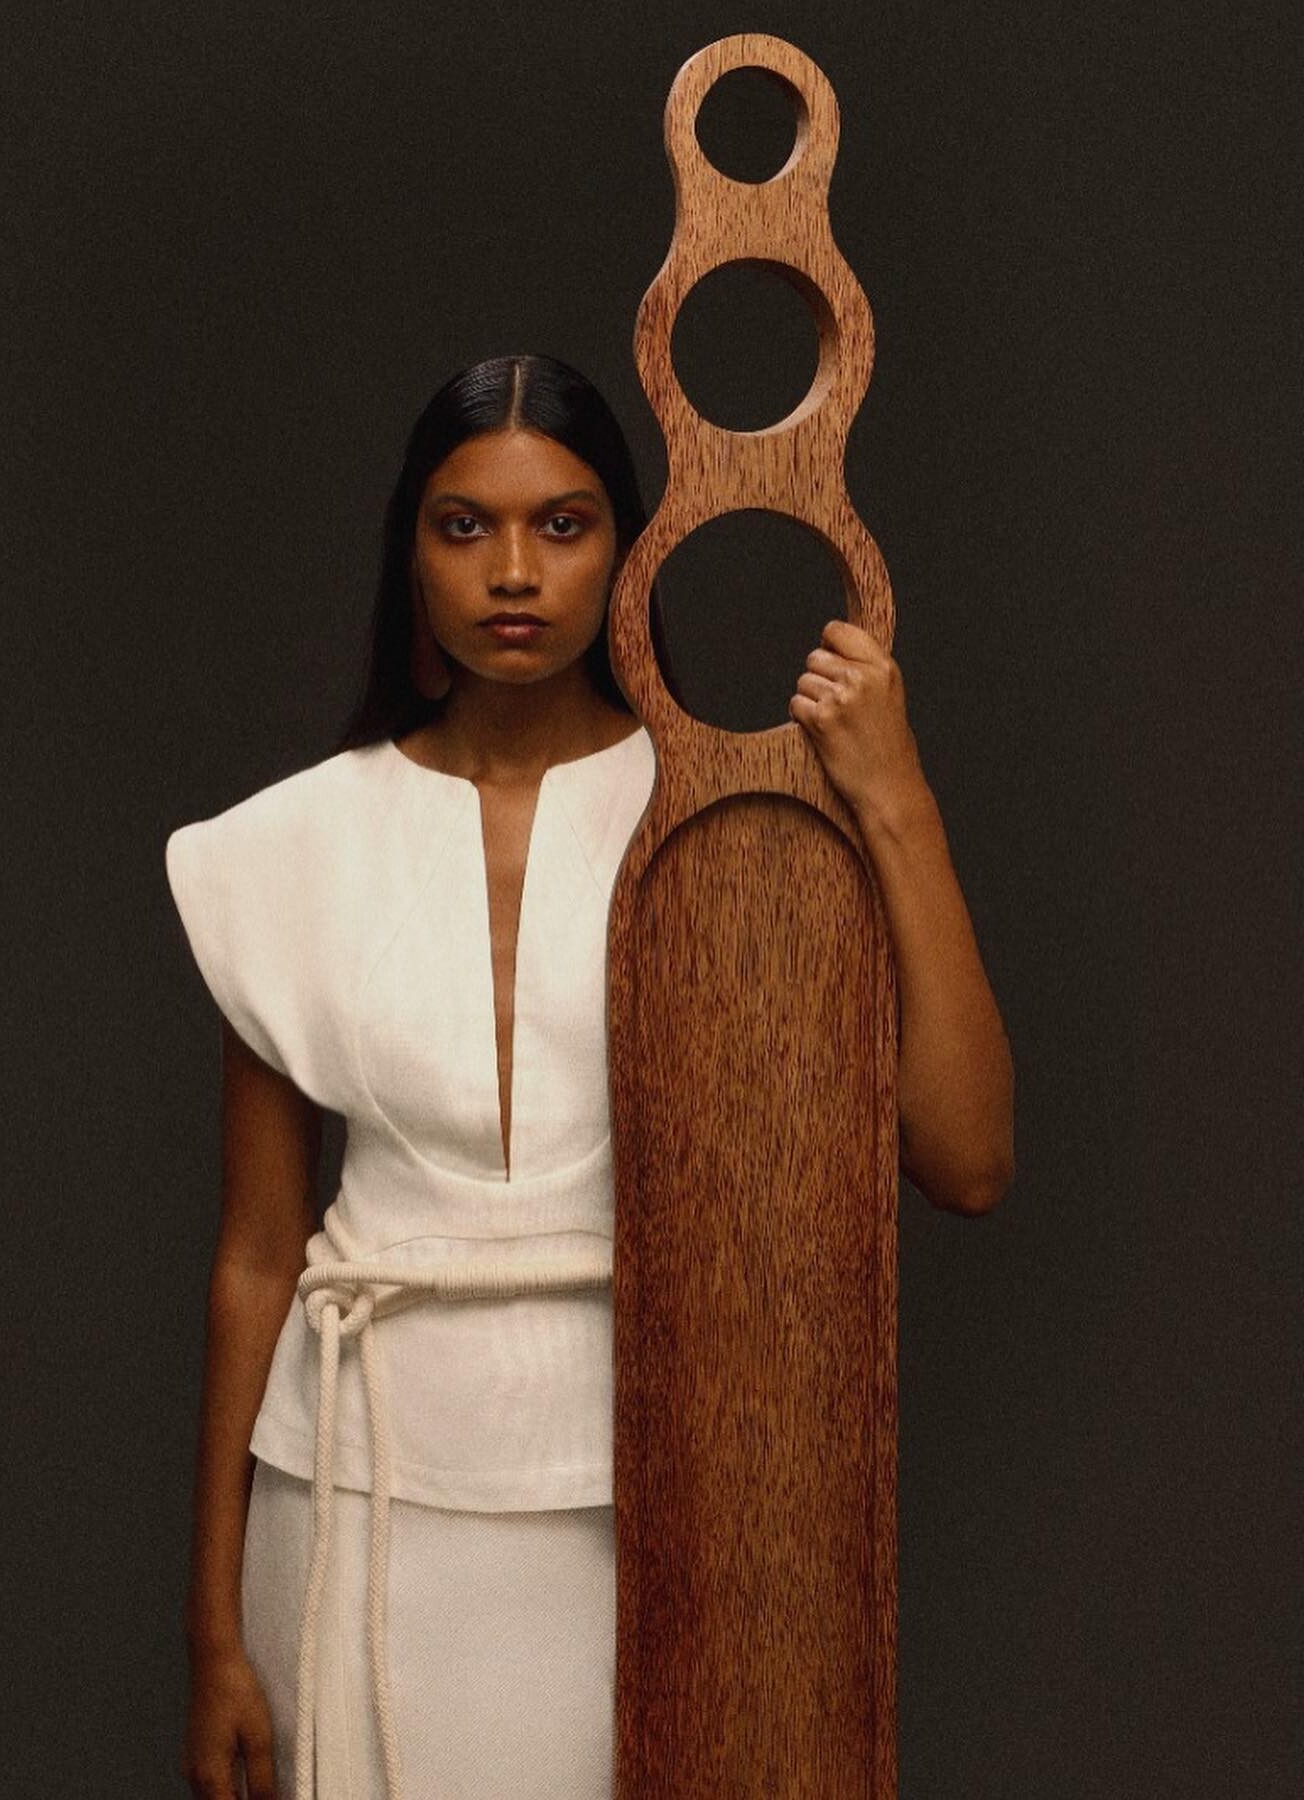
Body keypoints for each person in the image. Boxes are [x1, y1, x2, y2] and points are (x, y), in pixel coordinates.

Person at [166, 353, 1014, 1800]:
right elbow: (256, 1258)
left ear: (631, 552)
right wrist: (209, 1634)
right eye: (464, 526)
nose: (514, 571)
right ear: (410, 554)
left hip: (658, 1495)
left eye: (563, 525)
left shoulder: (732, 825)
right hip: (354, 1496)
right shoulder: (285, 849)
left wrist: (893, 796)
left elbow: (967, 1155)